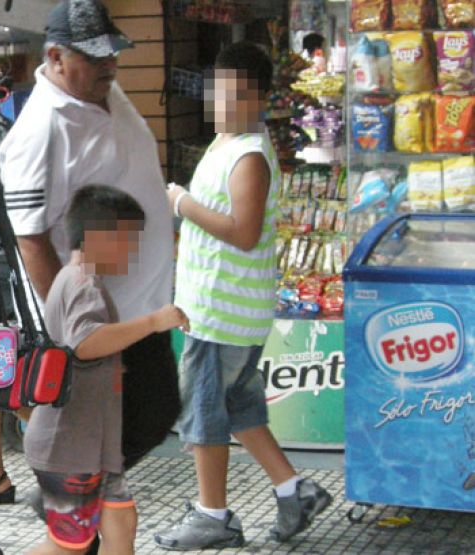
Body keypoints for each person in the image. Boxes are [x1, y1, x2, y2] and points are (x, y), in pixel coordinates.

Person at [154, 41, 333, 551]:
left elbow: (244, 231)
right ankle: (294, 490)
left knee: (205, 413)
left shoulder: (249, 155)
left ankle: (213, 515)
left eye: (237, 95)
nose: (223, 103)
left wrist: (182, 203)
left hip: (222, 314)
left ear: (259, 99)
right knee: (240, 407)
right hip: (223, 308)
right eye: (218, 92)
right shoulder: (226, 144)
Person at [0, 0, 179, 475]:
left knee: (149, 418)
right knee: (130, 427)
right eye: (95, 57)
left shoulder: (102, 94)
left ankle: (74, 513)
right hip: (101, 323)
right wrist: (73, 329)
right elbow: (30, 239)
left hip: (139, 306)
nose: (110, 65)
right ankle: (66, 513)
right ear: (55, 58)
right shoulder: (41, 131)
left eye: (111, 53)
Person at [25, 185, 188, 555]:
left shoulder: (79, 280)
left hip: (92, 446)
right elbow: (85, 343)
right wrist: (152, 322)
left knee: (121, 521)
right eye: (128, 240)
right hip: (69, 447)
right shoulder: (83, 285)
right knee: (69, 546)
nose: (133, 251)